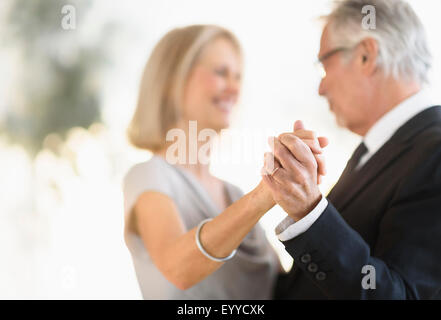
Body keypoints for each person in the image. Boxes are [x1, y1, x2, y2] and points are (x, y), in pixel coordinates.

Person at [122, 25, 328, 299]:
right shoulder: (148, 175)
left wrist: (303, 186)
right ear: (173, 79)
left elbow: (287, 291)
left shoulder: (233, 195)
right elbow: (178, 270)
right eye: (220, 73)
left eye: (238, 77)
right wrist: (267, 192)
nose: (234, 88)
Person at [262, 0, 441, 299]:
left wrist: (308, 210)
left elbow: (403, 295)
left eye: (324, 64)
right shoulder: (373, 149)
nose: (321, 88)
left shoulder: (435, 152)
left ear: (366, 56)